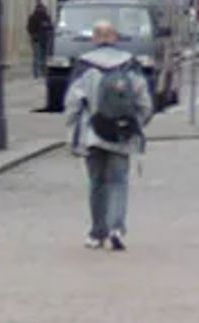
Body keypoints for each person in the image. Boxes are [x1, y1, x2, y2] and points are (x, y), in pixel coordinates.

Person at [64, 19, 153, 251]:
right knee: (118, 182)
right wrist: (134, 125)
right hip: (120, 135)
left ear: (94, 38)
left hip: (91, 134)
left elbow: (72, 103)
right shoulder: (129, 66)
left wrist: (73, 130)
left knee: (97, 183)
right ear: (114, 38)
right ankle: (116, 228)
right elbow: (145, 103)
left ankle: (97, 232)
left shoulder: (84, 66)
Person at [26, 1, 54, 79]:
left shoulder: (32, 17)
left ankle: (36, 73)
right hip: (43, 39)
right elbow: (50, 28)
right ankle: (41, 71)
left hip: (36, 39)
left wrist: (33, 34)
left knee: (37, 56)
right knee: (43, 56)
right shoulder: (46, 17)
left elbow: (29, 28)